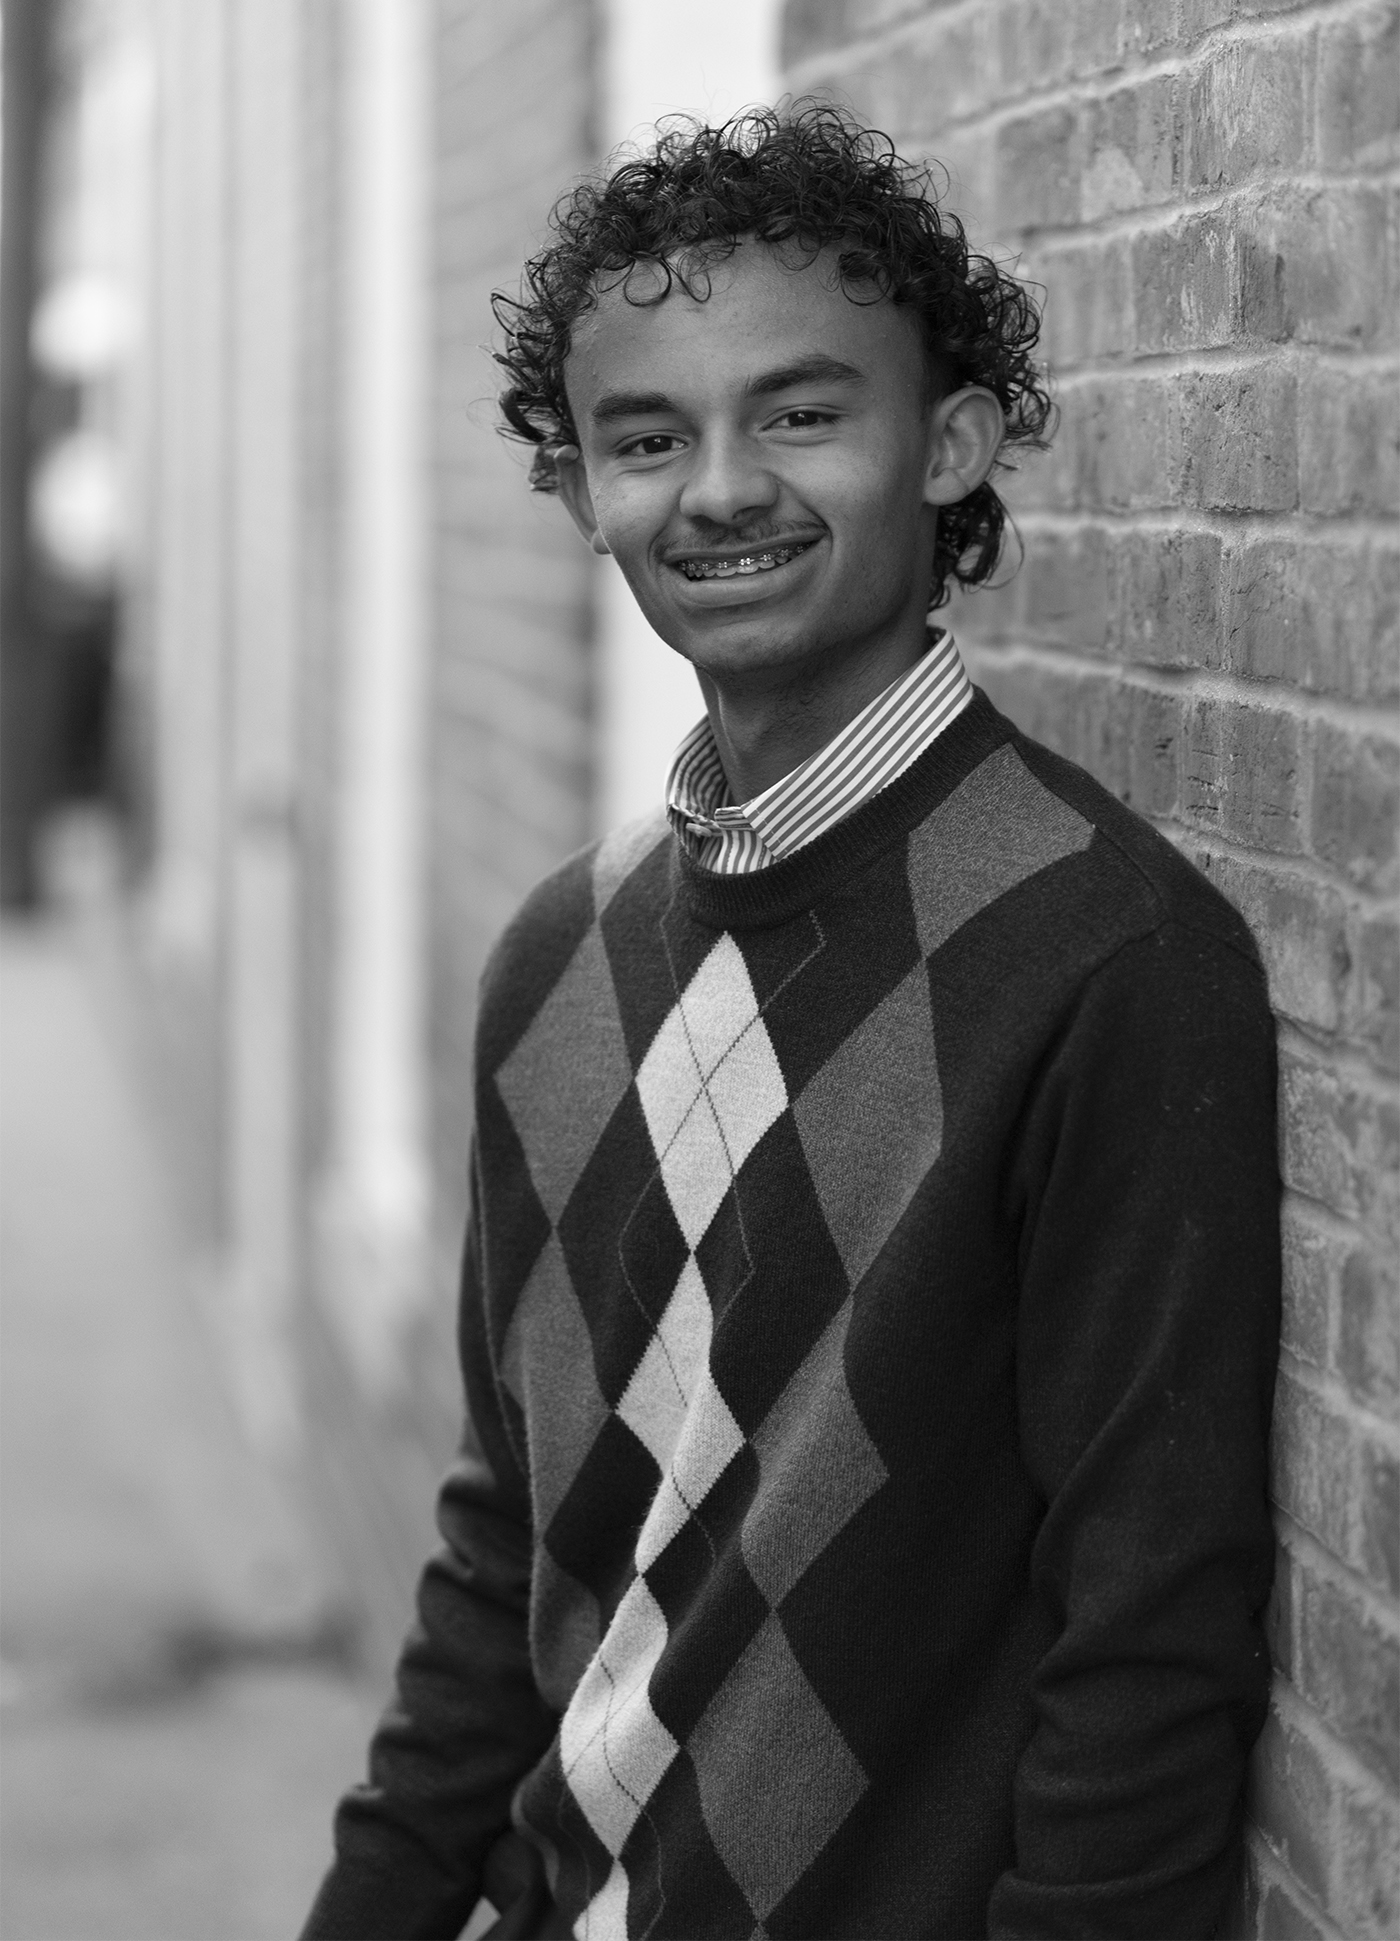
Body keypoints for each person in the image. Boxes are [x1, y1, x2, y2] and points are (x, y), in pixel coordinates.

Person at [302, 105, 1280, 1941]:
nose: (721, 488)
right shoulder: (559, 961)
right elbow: (510, 1546)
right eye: (645, 439)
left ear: (951, 444)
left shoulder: (1104, 959)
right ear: (579, 495)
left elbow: (1148, 1646)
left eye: (803, 414)